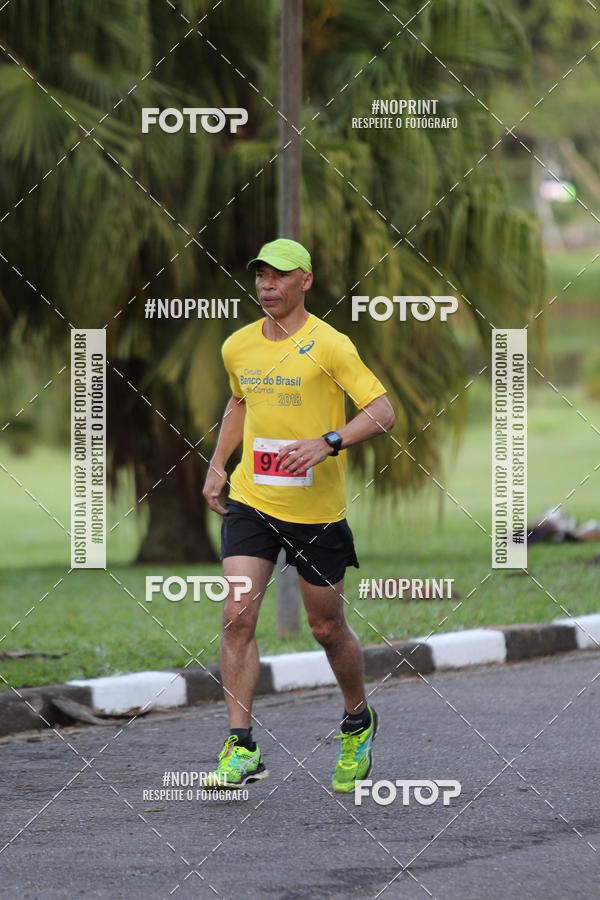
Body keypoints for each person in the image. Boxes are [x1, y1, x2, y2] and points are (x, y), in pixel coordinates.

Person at [202, 238, 395, 793]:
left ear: (305, 281)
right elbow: (240, 403)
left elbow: (382, 411)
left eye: (280, 275)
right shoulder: (238, 346)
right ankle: (241, 746)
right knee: (237, 616)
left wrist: (329, 441)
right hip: (252, 502)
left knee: (326, 627)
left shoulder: (330, 345)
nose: (267, 284)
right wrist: (219, 465)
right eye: (261, 274)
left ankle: (358, 720)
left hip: (317, 512)